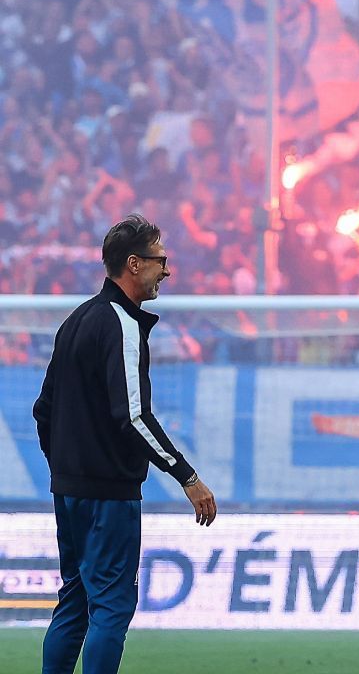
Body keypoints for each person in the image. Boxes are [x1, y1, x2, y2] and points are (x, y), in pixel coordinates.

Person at [34, 215, 217, 674]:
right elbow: (133, 415)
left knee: (73, 602)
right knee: (111, 606)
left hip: (69, 489)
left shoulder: (77, 320)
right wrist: (187, 476)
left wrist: (66, 469)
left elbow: (43, 409)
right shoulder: (121, 324)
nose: (167, 271)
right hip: (108, 496)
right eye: (160, 261)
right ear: (133, 264)